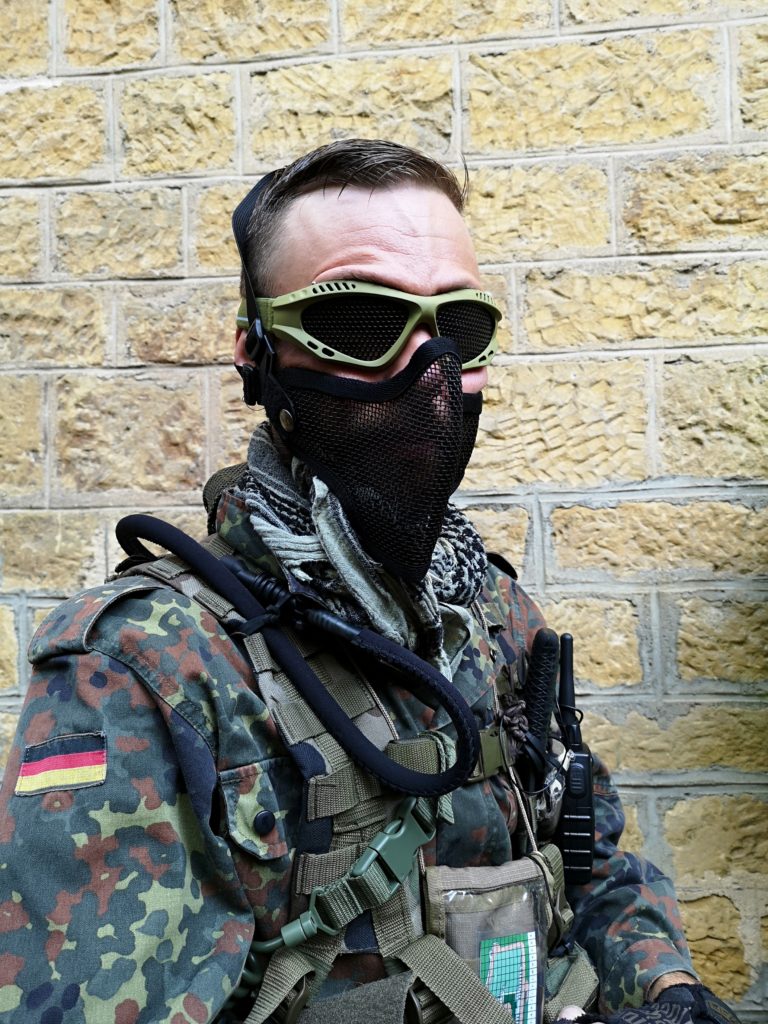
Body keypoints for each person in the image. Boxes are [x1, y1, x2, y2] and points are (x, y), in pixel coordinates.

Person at [0, 140, 740, 1024]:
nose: (429, 372)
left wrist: (665, 987)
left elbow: (595, 863)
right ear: (257, 353)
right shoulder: (146, 668)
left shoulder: (491, 613)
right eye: (360, 322)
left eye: (459, 328)